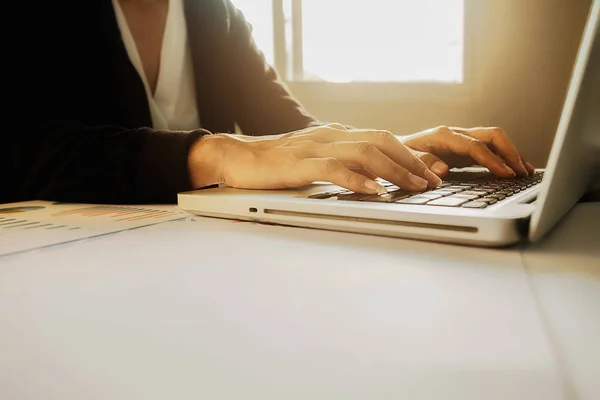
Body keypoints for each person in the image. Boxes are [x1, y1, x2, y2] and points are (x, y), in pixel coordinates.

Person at [4, 0, 534, 205]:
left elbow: (290, 132)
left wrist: (396, 148)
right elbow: (25, 151)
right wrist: (214, 154)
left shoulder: (217, 15)